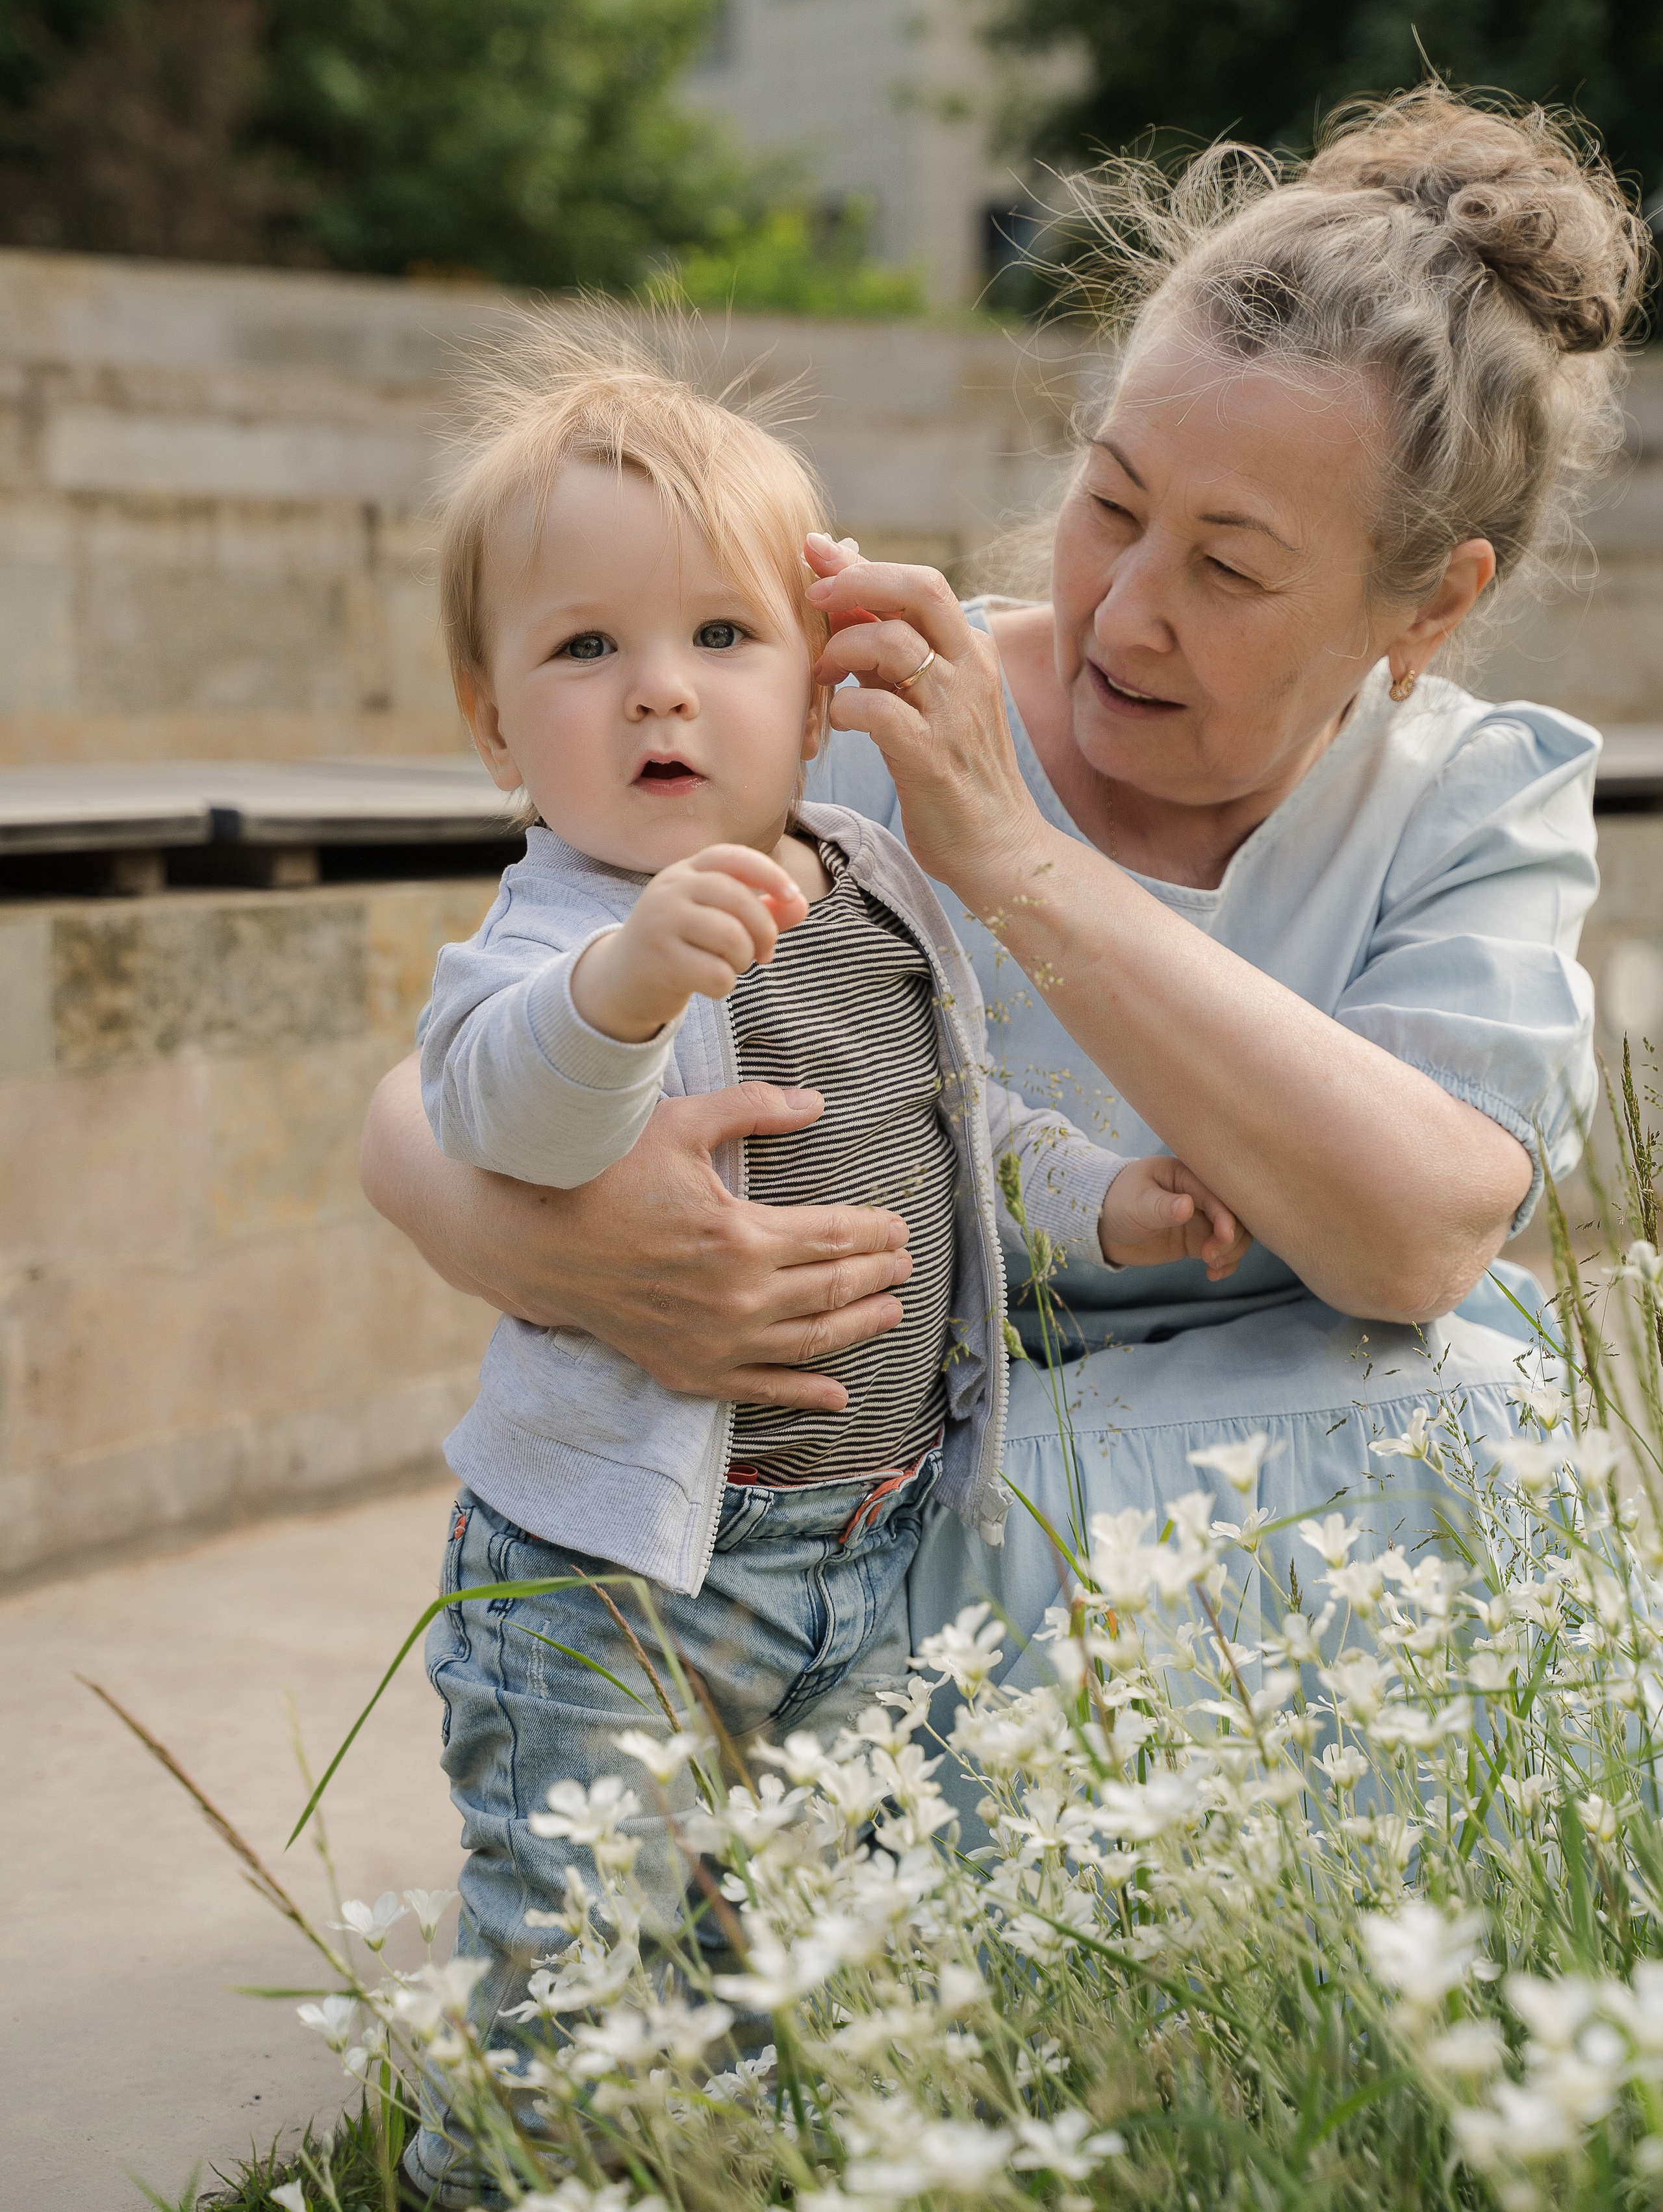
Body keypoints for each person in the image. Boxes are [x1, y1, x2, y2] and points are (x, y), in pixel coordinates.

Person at [362, 84, 1634, 1755]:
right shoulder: (848, 713)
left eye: (1228, 568)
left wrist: (1017, 863)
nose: (1123, 604)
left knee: (1487, 1408)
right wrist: (583, 1261)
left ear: (1430, 600)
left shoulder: (1469, 805)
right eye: (1111, 504)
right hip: (896, 1504)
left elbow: (1417, 1237)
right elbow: (427, 1097)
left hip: (1279, 1481)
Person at [405, 336, 1245, 2191]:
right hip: (612, 1576)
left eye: (722, 639)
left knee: (778, 1940)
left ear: (817, 686)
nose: (659, 697)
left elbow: (961, 1130)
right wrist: (621, 990)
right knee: (575, 1947)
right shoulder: (560, 924)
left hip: (862, 1548)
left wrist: (1108, 1203)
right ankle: (501, 2172)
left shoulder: (870, 874)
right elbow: (498, 1110)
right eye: (582, 650)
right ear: (493, 727)